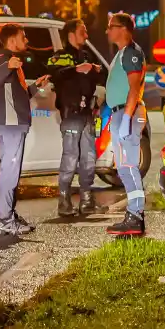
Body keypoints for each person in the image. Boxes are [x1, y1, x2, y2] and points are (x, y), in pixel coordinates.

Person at [0, 24, 50, 236]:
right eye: (23, 37)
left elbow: (16, 95)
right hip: (10, 124)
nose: (26, 40)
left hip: (13, 123)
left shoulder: (11, 63)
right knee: (9, 172)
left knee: (11, 171)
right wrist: (9, 66)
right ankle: (4, 219)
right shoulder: (2, 59)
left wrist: (35, 87)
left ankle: (8, 215)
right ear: (12, 41)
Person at [47, 19, 103, 216]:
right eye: (83, 31)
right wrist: (77, 69)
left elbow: (97, 78)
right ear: (71, 34)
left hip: (87, 114)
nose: (86, 36)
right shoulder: (59, 57)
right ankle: (64, 201)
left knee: (89, 158)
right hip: (71, 115)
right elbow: (54, 74)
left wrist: (95, 71)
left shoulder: (85, 56)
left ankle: (87, 200)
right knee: (70, 158)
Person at [102, 12, 148, 238]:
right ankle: (134, 214)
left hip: (126, 112)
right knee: (124, 166)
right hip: (121, 112)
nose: (108, 30)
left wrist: (127, 118)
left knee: (128, 166)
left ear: (123, 29)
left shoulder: (130, 53)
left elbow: (133, 87)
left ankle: (135, 215)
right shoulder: (123, 53)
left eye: (111, 26)